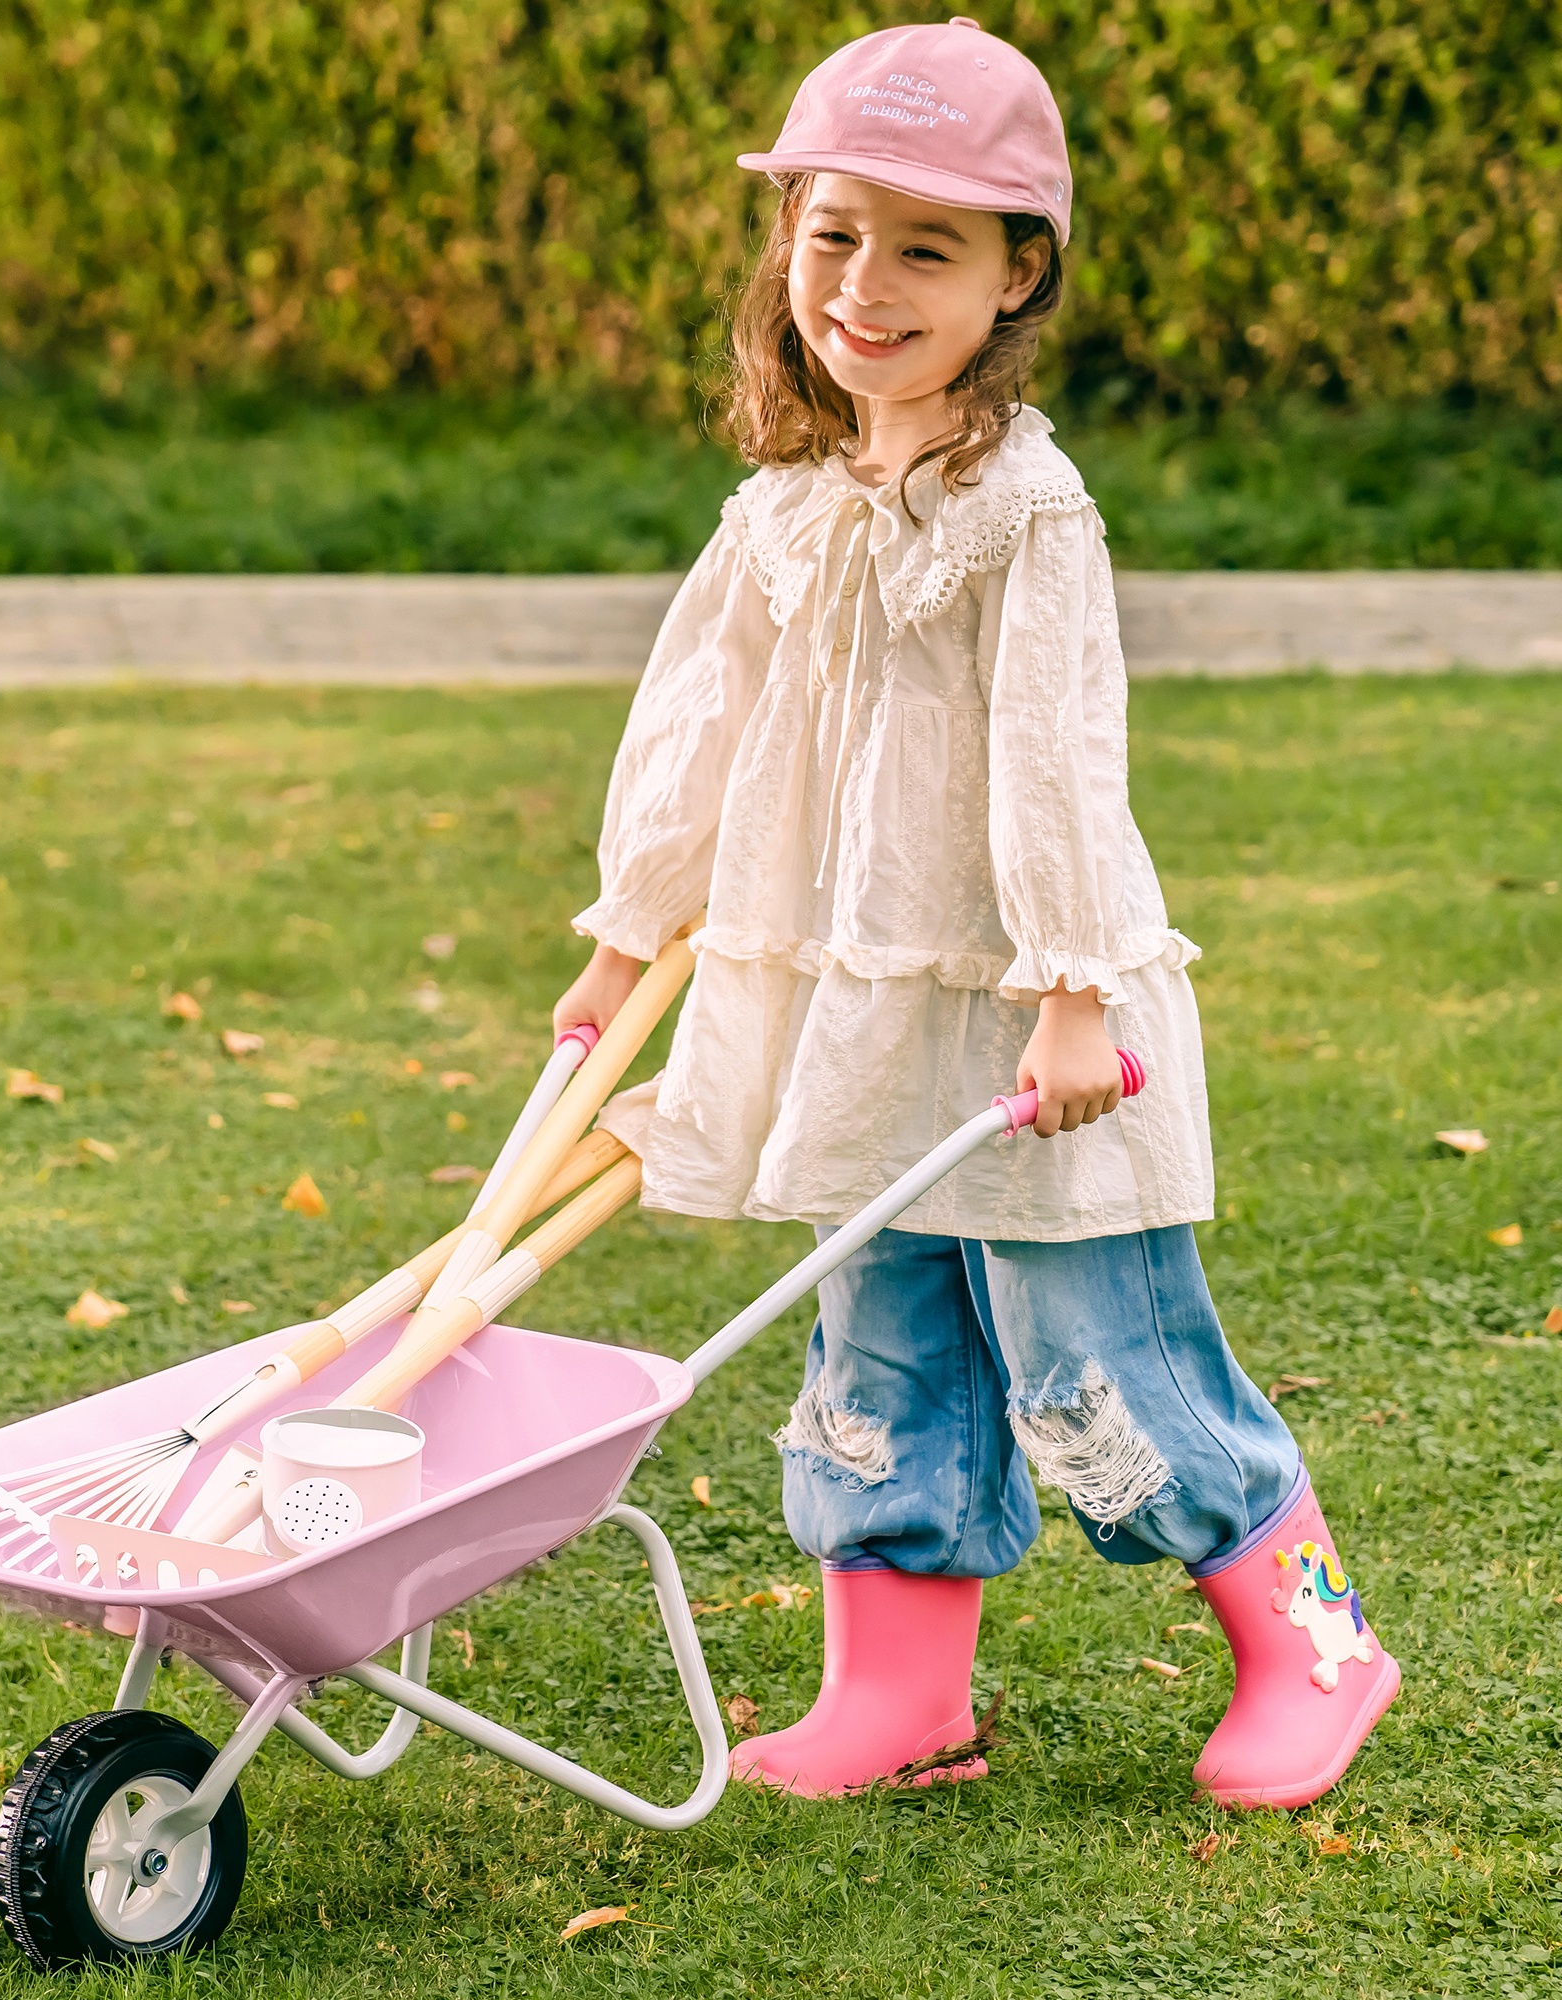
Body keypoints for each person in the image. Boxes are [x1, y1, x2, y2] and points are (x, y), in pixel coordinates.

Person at [550, 17, 1397, 1811]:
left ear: (1019, 277)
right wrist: (633, 941)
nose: (864, 283)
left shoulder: (1028, 512)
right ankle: (900, 1688)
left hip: (1025, 1020)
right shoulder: (786, 501)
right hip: (860, 1009)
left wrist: (1074, 987)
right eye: (834, 231)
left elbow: (1057, 758)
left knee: (1104, 1350)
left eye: (927, 247)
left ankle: (1312, 1644)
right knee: (880, 1334)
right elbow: (700, 730)